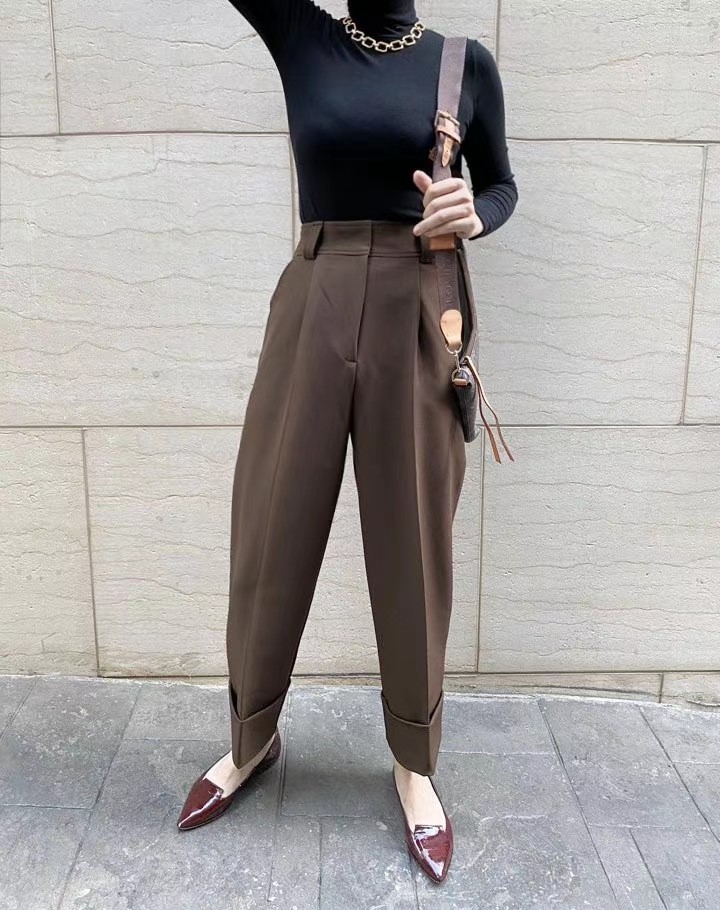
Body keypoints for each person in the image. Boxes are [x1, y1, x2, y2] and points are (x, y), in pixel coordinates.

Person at [177, 0, 518, 883]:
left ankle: (414, 763)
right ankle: (251, 738)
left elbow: (501, 184)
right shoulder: (303, 34)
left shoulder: (463, 64)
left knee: (412, 543)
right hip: (315, 295)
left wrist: (474, 211)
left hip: (418, 302)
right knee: (272, 521)